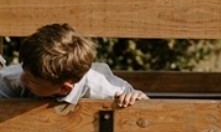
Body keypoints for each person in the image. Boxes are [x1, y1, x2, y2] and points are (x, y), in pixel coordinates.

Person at [0, 23, 148, 107]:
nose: (23, 78)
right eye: (24, 70)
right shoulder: (18, 77)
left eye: (32, 80)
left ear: (64, 88)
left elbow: (146, 110)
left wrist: (137, 98)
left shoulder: (104, 88)